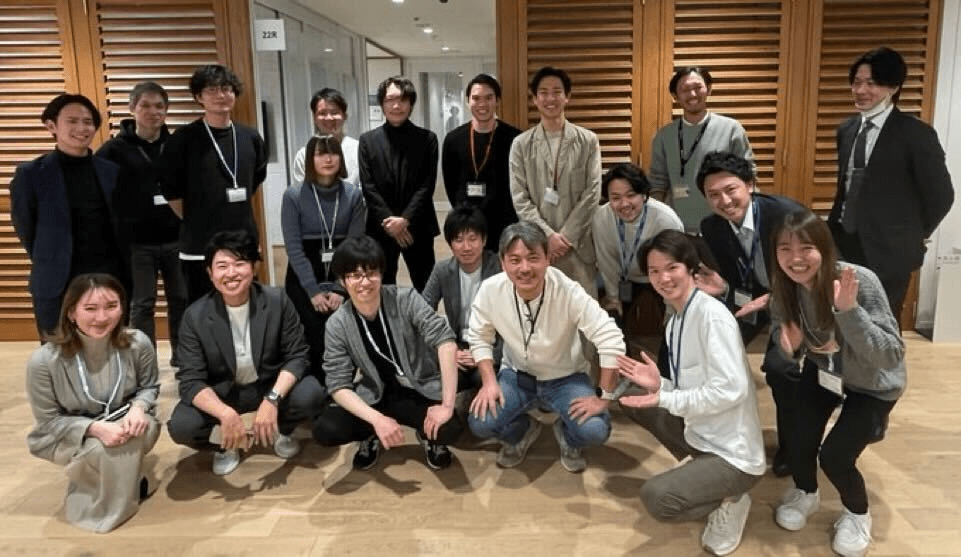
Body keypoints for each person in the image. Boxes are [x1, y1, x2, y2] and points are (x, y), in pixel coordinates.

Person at [615, 229, 765, 556]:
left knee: (657, 498)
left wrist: (666, 397)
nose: (663, 278)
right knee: (636, 401)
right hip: (703, 434)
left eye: (672, 268)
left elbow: (731, 390)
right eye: (654, 271)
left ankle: (732, 498)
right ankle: (700, 474)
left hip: (734, 453)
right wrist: (661, 386)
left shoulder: (712, 317)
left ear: (691, 269)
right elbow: (692, 388)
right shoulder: (676, 321)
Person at [769, 209, 904, 557]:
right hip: (824, 371)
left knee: (835, 456)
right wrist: (790, 348)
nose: (796, 258)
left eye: (806, 248)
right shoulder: (783, 286)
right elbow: (788, 344)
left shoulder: (858, 281)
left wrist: (849, 312)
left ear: (825, 248)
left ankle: (857, 514)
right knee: (797, 434)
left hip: (873, 383)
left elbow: (890, 355)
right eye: (785, 248)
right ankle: (806, 492)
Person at [466, 221, 624, 473]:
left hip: (566, 378)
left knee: (595, 430)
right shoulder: (491, 289)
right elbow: (479, 337)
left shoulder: (568, 290)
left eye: (533, 258)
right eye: (515, 260)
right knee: (480, 422)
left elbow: (610, 338)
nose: (524, 268)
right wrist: (489, 382)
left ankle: (569, 437)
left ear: (548, 259)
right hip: (517, 376)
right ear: (502, 262)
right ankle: (523, 430)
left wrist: (604, 397)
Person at [167, 230, 324, 476]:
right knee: (182, 425)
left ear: (254, 267)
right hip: (224, 393)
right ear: (210, 273)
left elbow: (298, 355)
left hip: (268, 385)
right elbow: (190, 381)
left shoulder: (277, 301)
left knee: (311, 394)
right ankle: (225, 443)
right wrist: (225, 414)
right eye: (222, 266)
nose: (231, 273)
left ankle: (280, 431)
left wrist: (272, 400)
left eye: (240, 263)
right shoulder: (194, 316)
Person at [695, 151, 804, 476]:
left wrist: (776, 297)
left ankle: (793, 448)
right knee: (709, 351)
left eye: (731, 189)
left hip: (797, 298)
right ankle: (718, 440)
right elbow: (737, 280)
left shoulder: (787, 216)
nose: (724, 201)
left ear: (750, 185)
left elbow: (822, 270)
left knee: (781, 369)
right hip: (752, 301)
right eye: (713, 195)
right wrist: (723, 289)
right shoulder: (712, 227)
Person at [312, 236, 462, 471]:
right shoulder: (337, 324)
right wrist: (377, 420)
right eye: (355, 275)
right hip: (375, 394)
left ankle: (429, 436)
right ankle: (370, 434)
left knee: (450, 427)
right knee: (326, 429)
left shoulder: (406, 299)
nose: (364, 282)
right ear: (342, 280)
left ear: (381, 274)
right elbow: (337, 384)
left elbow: (446, 341)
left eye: (371, 272)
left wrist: (447, 406)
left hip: (418, 388)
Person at [25, 273, 160, 533]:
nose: (102, 317)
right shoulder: (43, 361)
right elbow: (48, 421)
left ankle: (116, 483)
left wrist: (139, 408)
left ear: (122, 308)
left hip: (126, 419)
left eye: (111, 306)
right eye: (90, 308)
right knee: (100, 449)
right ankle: (118, 492)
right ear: (71, 312)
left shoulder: (138, 343)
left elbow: (149, 387)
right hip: (65, 434)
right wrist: (94, 429)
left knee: (127, 437)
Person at [829, 47, 954, 321]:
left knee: (882, 322)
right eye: (857, 82)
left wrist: (912, 233)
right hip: (844, 242)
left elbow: (942, 196)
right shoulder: (846, 130)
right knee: (844, 318)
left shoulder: (916, 134)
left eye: (872, 83)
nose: (861, 90)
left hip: (891, 250)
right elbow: (846, 187)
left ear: (894, 87)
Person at [11, 93, 129, 337]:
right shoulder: (31, 173)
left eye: (88, 122)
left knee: (110, 344)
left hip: (108, 273)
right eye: (72, 121)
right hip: (56, 277)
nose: (82, 128)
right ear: (51, 126)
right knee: (58, 349)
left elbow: (122, 225)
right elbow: (26, 228)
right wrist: (52, 255)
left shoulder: (111, 171)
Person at [161, 64, 268, 303]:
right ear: (199, 97)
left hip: (243, 242)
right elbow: (172, 193)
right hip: (199, 247)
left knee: (246, 308)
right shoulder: (183, 140)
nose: (220, 95)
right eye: (211, 90)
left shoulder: (250, 137)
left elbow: (254, 183)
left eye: (226, 89)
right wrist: (198, 218)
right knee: (203, 311)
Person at [96, 81, 186, 364]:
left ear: (166, 111)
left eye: (159, 106)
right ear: (132, 108)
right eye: (145, 105)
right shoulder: (113, 150)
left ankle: (183, 358)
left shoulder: (177, 145)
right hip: (136, 243)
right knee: (142, 304)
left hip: (176, 238)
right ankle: (145, 361)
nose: (153, 112)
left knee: (181, 300)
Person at [509, 66, 601, 295]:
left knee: (582, 310)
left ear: (567, 96)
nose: (550, 98)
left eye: (557, 92)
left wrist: (565, 237)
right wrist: (548, 236)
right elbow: (520, 198)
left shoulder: (588, 140)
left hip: (578, 247)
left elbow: (593, 193)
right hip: (538, 248)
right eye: (543, 92)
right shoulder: (521, 144)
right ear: (535, 99)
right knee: (540, 308)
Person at [282, 135, 367, 381]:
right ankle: (313, 387)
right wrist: (313, 291)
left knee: (344, 329)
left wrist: (340, 288)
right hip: (304, 273)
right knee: (311, 333)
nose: (328, 159)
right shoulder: (293, 195)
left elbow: (354, 245)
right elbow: (294, 248)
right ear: (310, 159)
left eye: (333, 153)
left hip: (344, 270)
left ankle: (342, 385)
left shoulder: (353, 195)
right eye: (320, 153)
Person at [648, 67, 755, 232]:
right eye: (685, 90)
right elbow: (657, 184)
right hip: (677, 228)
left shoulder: (731, 129)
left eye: (698, 87)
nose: (692, 94)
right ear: (675, 96)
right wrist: (658, 223)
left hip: (724, 226)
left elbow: (748, 175)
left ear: (709, 89)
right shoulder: (664, 135)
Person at [358, 76, 439, 291]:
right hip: (380, 228)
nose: (396, 106)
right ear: (382, 104)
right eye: (390, 100)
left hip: (418, 226)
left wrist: (405, 220)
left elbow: (427, 185)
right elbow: (368, 186)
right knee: (381, 286)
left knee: (426, 286)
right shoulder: (368, 141)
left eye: (402, 100)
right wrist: (390, 222)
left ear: (411, 103)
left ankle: (424, 316)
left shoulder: (427, 139)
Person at [591, 162, 682, 352]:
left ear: (644, 195)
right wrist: (614, 298)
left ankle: (667, 360)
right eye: (616, 198)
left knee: (674, 321)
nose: (624, 204)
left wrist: (671, 307)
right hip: (625, 277)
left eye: (631, 195)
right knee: (612, 317)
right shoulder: (601, 218)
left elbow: (674, 268)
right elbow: (607, 261)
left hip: (660, 276)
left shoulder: (666, 220)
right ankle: (622, 363)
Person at [422, 207, 502, 410]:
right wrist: (446, 350)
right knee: (435, 385)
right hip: (458, 346)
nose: (466, 247)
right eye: (458, 240)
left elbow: (514, 324)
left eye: (473, 239)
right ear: (450, 244)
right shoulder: (442, 270)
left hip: (491, 345)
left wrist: (488, 355)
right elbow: (422, 315)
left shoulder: (499, 268)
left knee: (483, 383)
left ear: (484, 240)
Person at [441, 73, 522, 253]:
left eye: (488, 98)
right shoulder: (453, 139)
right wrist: (463, 216)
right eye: (476, 98)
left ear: (497, 100)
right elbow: (450, 184)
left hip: (505, 223)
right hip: (467, 224)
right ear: (467, 101)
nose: (482, 104)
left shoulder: (515, 138)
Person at [291, 87, 360, 186]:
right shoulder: (303, 155)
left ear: (344, 116)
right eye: (322, 113)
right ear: (314, 118)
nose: (328, 118)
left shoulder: (359, 150)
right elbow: (301, 191)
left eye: (334, 113)